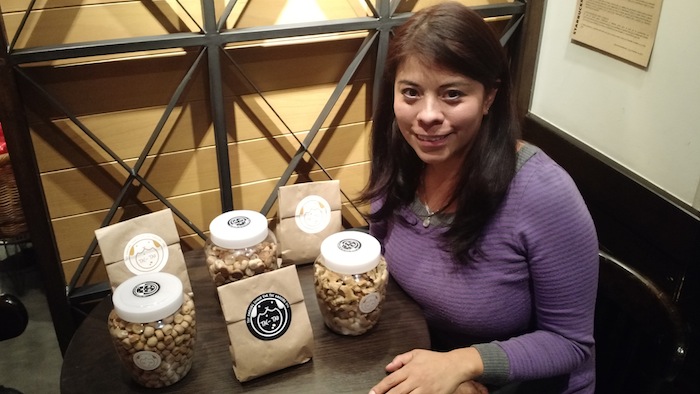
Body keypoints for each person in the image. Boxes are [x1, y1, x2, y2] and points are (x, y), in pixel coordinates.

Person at [360, 2, 599, 393]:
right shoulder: (402, 155)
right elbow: (378, 254)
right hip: (426, 360)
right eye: (411, 93)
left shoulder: (543, 193)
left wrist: (463, 365)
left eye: (452, 94)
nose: (427, 115)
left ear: (489, 98)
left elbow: (570, 343)